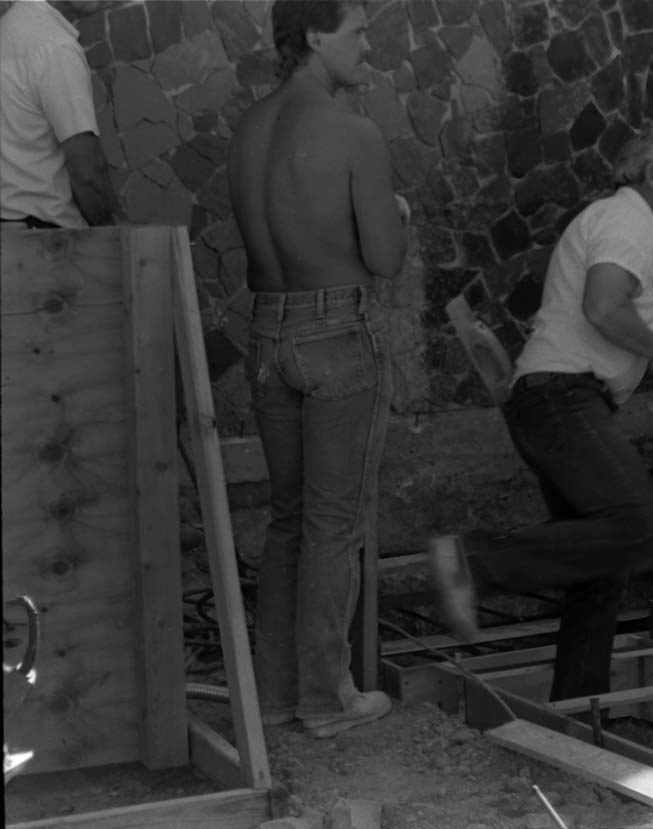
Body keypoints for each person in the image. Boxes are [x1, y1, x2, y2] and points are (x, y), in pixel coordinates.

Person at [428, 126, 653, 702]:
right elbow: (603, 306)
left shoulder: (613, 219)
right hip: (563, 398)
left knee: (599, 566)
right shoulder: (632, 223)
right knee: (643, 533)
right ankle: (476, 560)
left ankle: (579, 713)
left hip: (553, 399)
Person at [228, 0, 409, 738]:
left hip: (268, 333)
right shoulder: (353, 133)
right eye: (357, 30)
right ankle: (328, 697)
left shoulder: (247, 132)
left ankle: (275, 695)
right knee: (335, 521)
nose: (368, 43)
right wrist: (399, 211)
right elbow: (385, 257)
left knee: (288, 519)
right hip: (337, 329)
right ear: (313, 35)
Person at [1, 0, 118, 229]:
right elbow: (88, 174)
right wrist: (112, 237)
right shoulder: (55, 47)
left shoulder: (8, 31)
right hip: (46, 244)